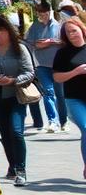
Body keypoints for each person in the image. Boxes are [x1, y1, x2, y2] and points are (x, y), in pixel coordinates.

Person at [0, 14, 33, 186]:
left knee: (16, 131)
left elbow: (30, 72)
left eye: (1, 30)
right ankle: (13, 165)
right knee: (5, 133)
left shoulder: (20, 48)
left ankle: (21, 169)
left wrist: (13, 80)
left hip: (16, 96)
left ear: (9, 31)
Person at [51, 17, 86, 179]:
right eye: (68, 33)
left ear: (81, 29)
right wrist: (76, 72)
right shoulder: (63, 53)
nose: (72, 35)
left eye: (74, 30)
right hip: (74, 98)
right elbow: (57, 77)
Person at [26, 2, 63, 133]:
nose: (43, 16)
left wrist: (51, 42)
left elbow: (65, 42)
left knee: (60, 94)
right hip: (41, 64)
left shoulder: (59, 26)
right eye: (41, 14)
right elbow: (29, 43)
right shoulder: (34, 27)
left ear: (50, 12)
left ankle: (63, 120)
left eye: (46, 13)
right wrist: (38, 45)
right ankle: (53, 121)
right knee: (48, 92)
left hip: (58, 64)